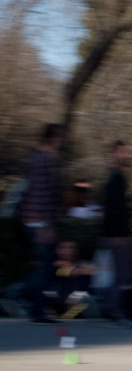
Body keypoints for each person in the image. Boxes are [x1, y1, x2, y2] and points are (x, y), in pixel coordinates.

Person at [20, 123, 65, 324]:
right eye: (59, 136)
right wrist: (46, 224)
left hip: (35, 219)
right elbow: (42, 193)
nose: (61, 140)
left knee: (45, 265)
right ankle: (32, 305)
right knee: (45, 267)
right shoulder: (45, 159)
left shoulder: (39, 157)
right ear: (51, 138)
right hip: (39, 222)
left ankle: (33, 305)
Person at [102, 140, 132, 327]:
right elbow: (114, 210)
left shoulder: (116, 177)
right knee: (122, 274)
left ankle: (112, 309)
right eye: (123, 152)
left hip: (116, 233)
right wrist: (121, 234)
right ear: (114, 154)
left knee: (121, 274)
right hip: (118, 235)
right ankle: (116, 312)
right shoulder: (115, 178)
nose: (127, 155)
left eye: (128, 152)